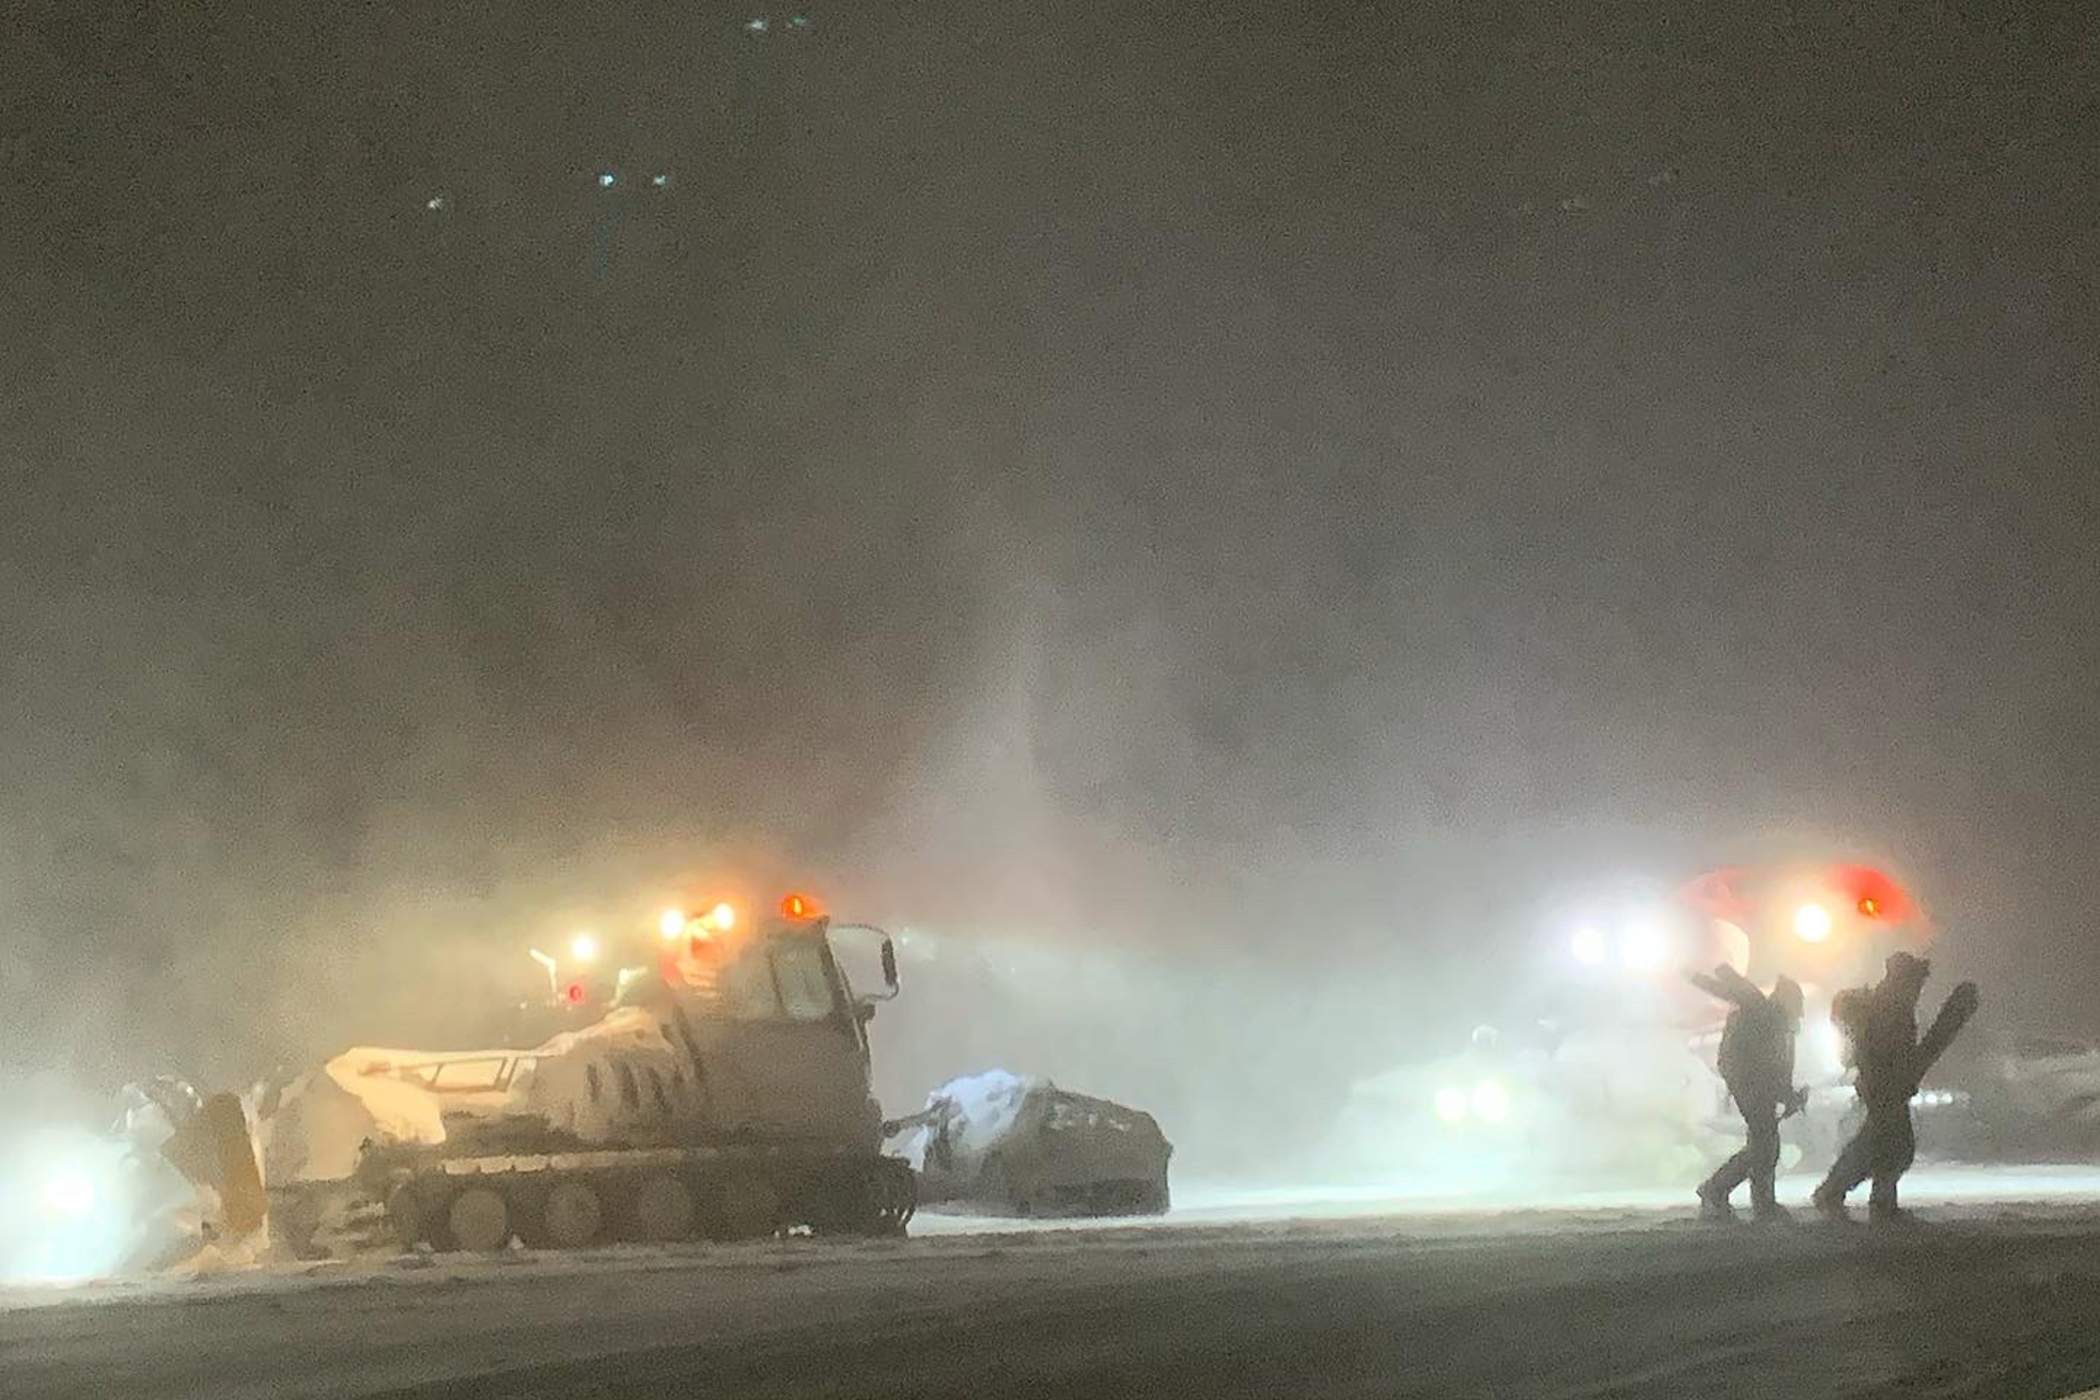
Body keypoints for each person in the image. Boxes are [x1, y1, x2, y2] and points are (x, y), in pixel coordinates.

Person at [1813, 951, 1979, 1223]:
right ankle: (1853, 1198)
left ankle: (1860, 1198)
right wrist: (1897, 1078)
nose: (1919, 987)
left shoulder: (1894, 1004)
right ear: (1906, 978)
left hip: (1885, 1085)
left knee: (1881, 1145)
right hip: (1884, 1087)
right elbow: (1886, 1052)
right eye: (1917, 980)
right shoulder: (1890, 1007)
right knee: (1894, 1146)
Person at [1691, 965, 1806, 1222]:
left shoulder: (1774, 1020)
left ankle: (1760, 1203)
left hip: (1753, 1084)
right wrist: (1716, 972)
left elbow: (1779, 1065)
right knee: (1763, 1146)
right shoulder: (1764, 1014)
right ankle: (1717, 1189)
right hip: (1751, 1084)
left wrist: (1787, 1095)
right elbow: (1739, 991)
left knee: (1765, 1144)